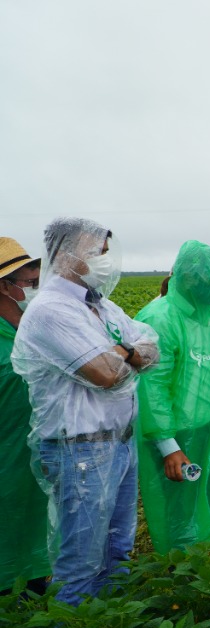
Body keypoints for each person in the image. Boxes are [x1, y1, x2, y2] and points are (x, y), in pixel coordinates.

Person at [12, 218, 160, 604]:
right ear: (65, 254)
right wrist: (128, 355)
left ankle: (110, 625)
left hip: (120, 444)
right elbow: (104, 375)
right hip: (80, 451)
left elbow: (152, 348)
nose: (105, 262)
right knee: (81, 559)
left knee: (117, 548)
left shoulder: (103, 306)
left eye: (107, 253)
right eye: (98, 253)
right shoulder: (51, 310)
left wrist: (123, 352)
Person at [135, 241, 210, 550]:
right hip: (178, 433)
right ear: (193, 279)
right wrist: (167, 444)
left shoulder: (207, 316)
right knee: (180, 510)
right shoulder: (160, 318)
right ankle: (183, 576)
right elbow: (152, 387)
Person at [0, 238, 51, 596]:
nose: (33, 288)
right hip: (5, 460)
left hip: (34, 458)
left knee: (35, 531)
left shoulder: (32, 329)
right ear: (4, 285)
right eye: (28, 282)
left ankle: (35, 585)